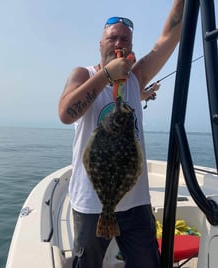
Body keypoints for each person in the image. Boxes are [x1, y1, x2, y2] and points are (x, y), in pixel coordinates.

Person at [58, 1, 184, 267]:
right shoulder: (83, 74)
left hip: (136, 204)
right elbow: (66, 114)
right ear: (100, 43)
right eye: (111, 37)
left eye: (124, 39)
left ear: (131, 47)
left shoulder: (138, 76)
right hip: (92, 205)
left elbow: (169, 35)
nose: (118, 42)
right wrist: (106, 75)